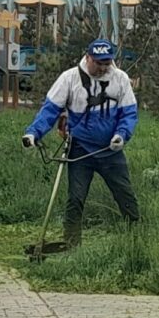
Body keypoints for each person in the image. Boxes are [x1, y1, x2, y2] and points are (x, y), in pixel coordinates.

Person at [22, 39, 140, 246]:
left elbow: (129, 113)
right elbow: (50, 110)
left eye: (106, 63)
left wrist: (122, 135)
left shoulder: (120, 79)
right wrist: (33, 133)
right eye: (98, 63)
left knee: (125, 195)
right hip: (80, 150)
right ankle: (71, 243)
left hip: (110, 150)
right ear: (88, 58)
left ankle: (136, 239)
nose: (102, 68)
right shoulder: (69, 78)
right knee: (75, 198)